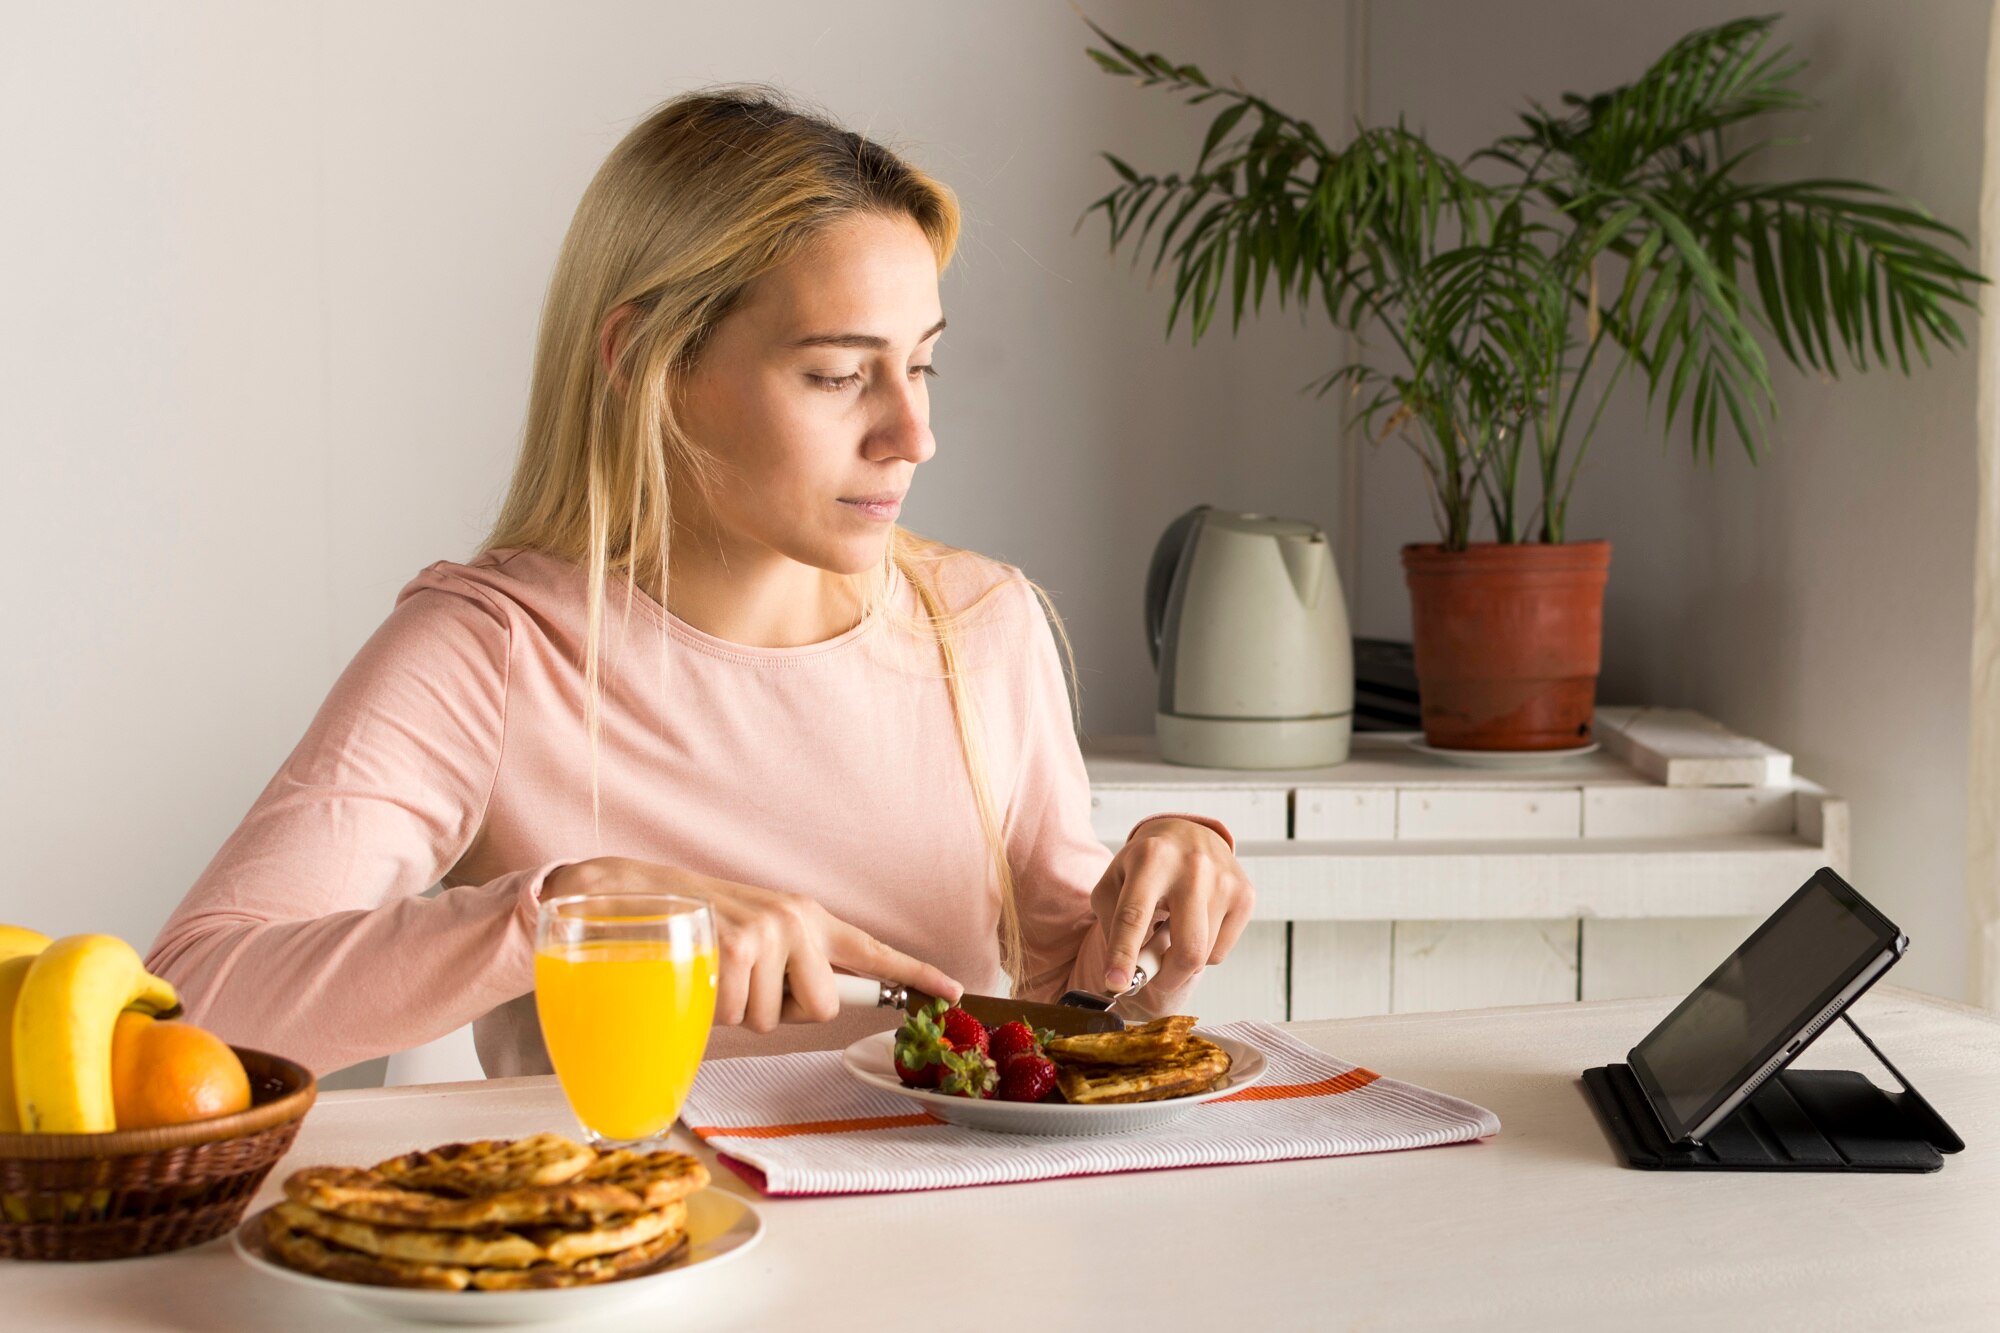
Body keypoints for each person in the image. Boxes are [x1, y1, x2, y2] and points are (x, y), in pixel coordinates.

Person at [147, 88, 1254, 1079]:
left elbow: (1067, 1005)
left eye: (919, 364)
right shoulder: (489, 650)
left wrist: (1156, 896)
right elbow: (187, 1010)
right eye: (835, 373)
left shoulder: (980, 623)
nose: (913, 434)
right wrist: (560, 913)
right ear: (646, 365)